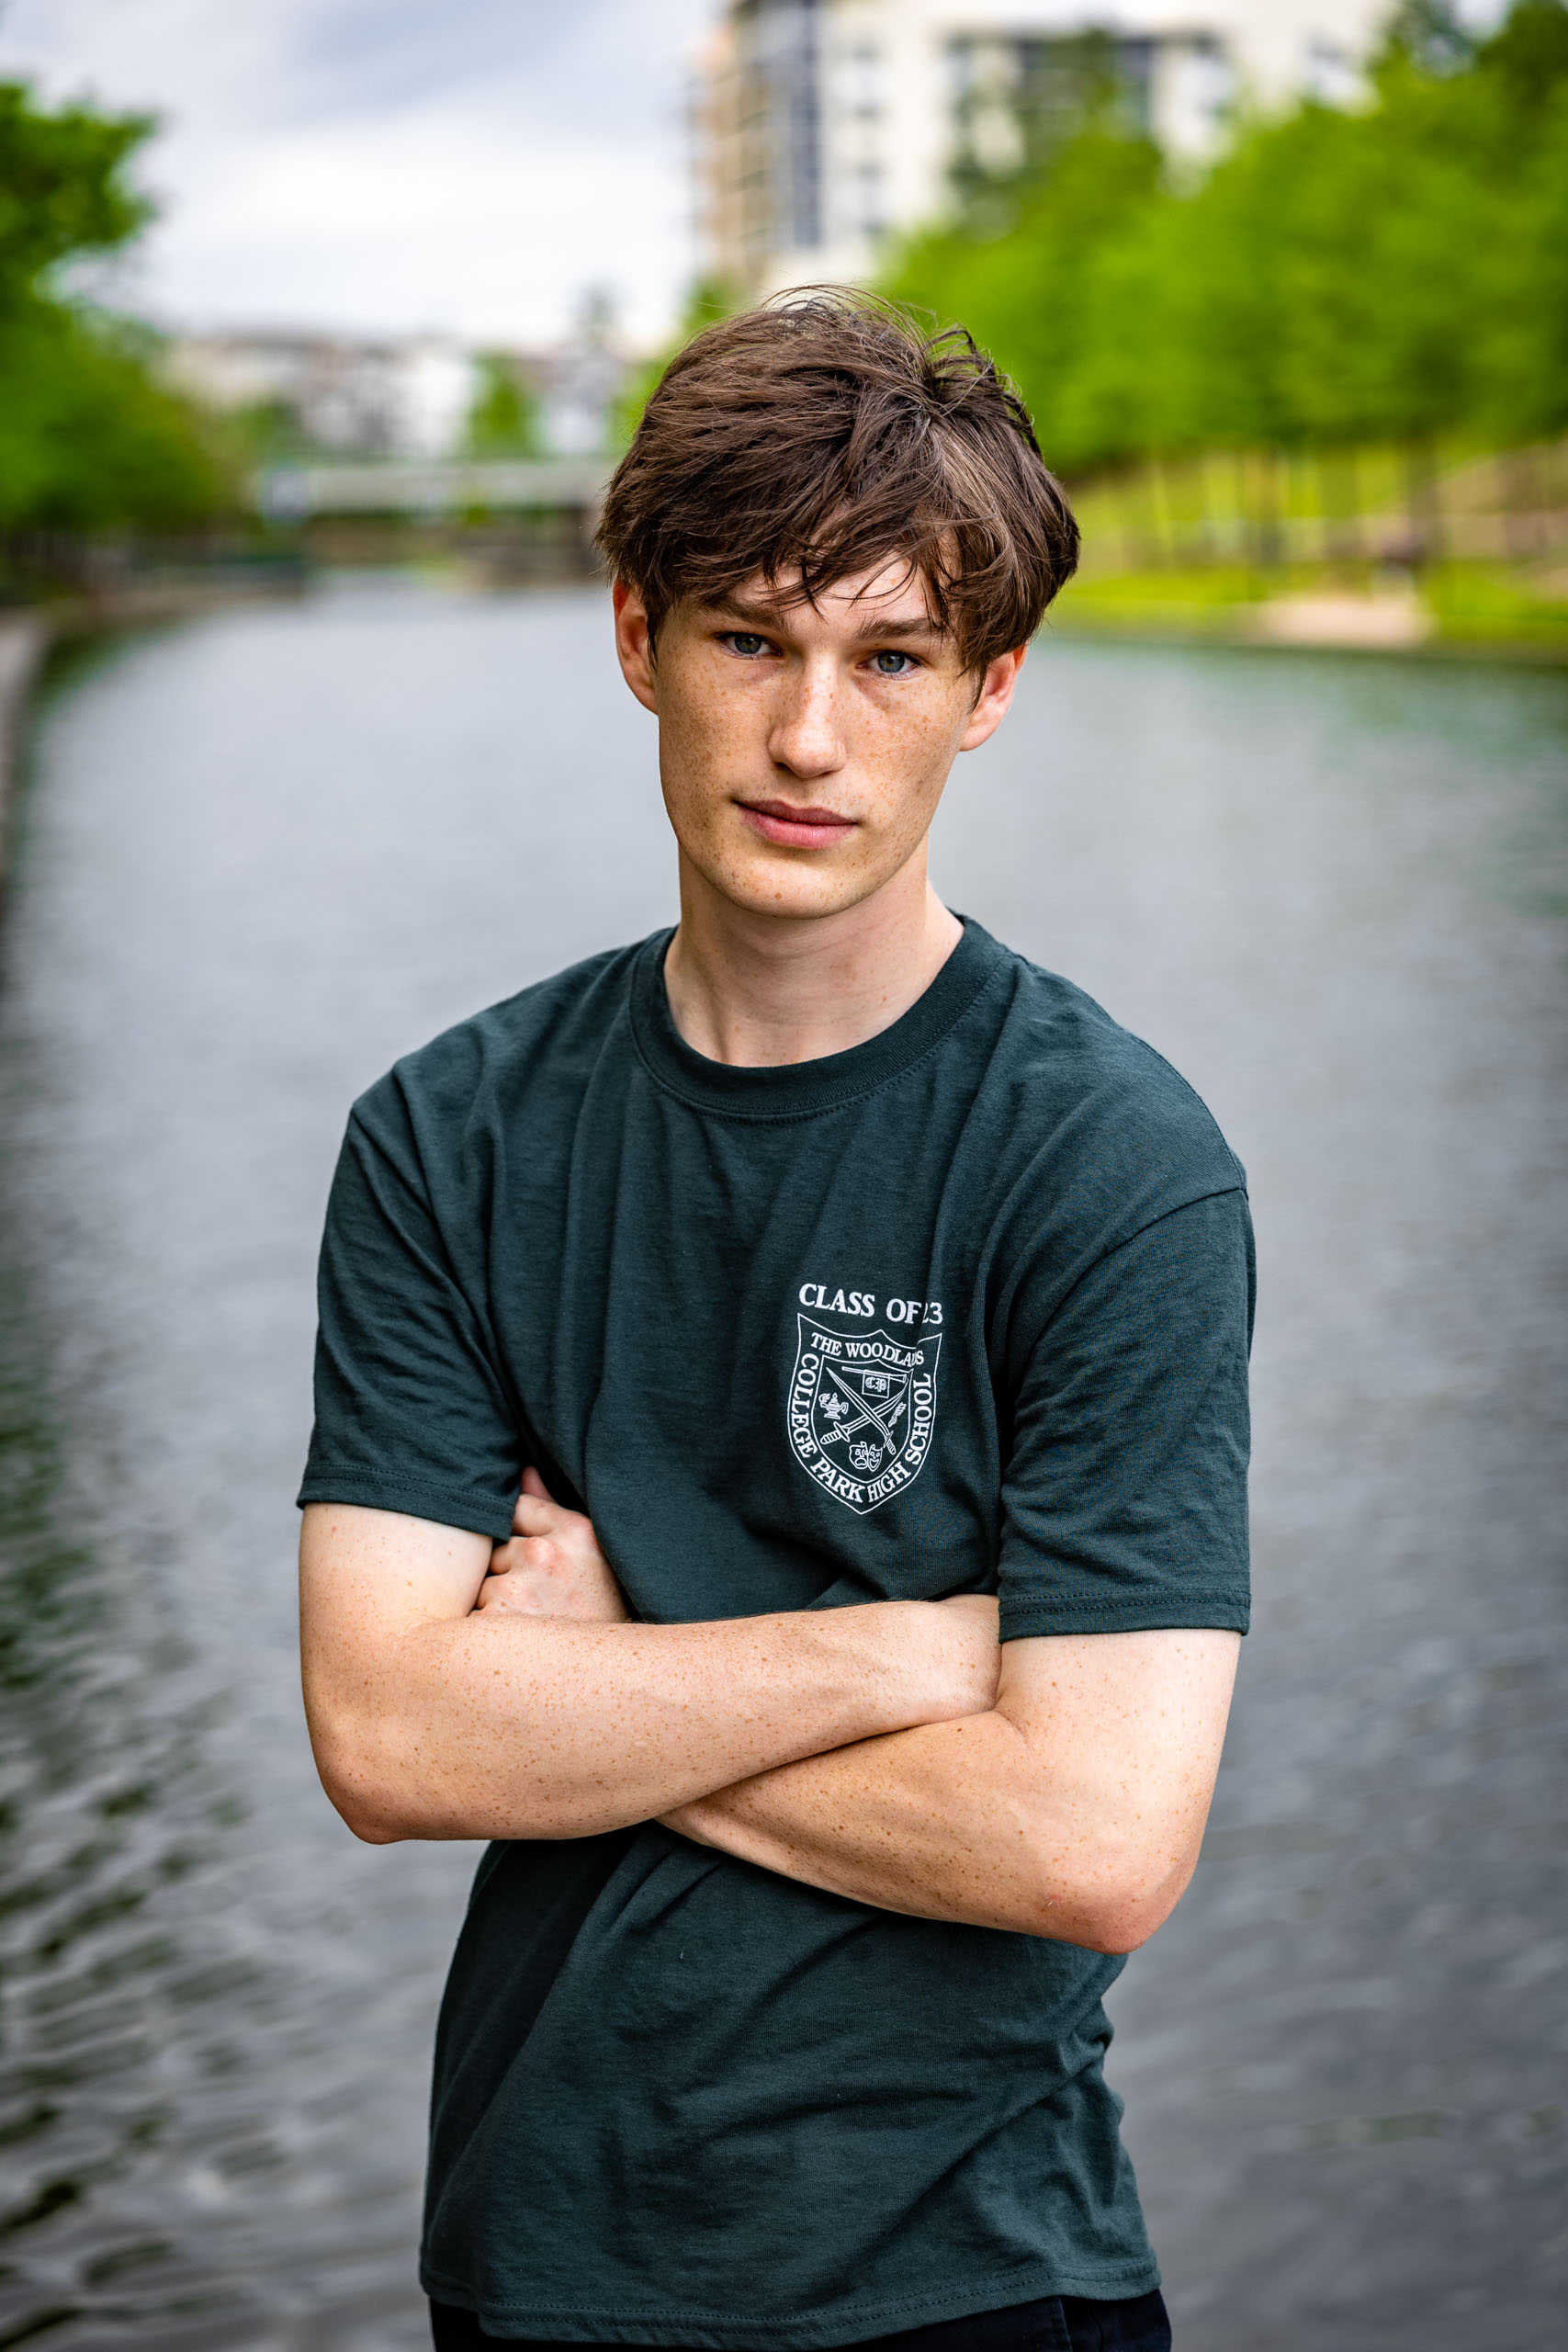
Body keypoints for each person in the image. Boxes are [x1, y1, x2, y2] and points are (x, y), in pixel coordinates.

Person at [298, 292, 1252, 2352]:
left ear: (988, 689)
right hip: (534, 2257)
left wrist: (598, 1671)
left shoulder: (1107, 1159)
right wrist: (910, 1654)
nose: (810, 737)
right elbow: (386, 1737)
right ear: (636, 638)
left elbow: (1093, 1842)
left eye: (889, 658)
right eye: (749, 639)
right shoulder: (449, 1136)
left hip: (971, 2273)